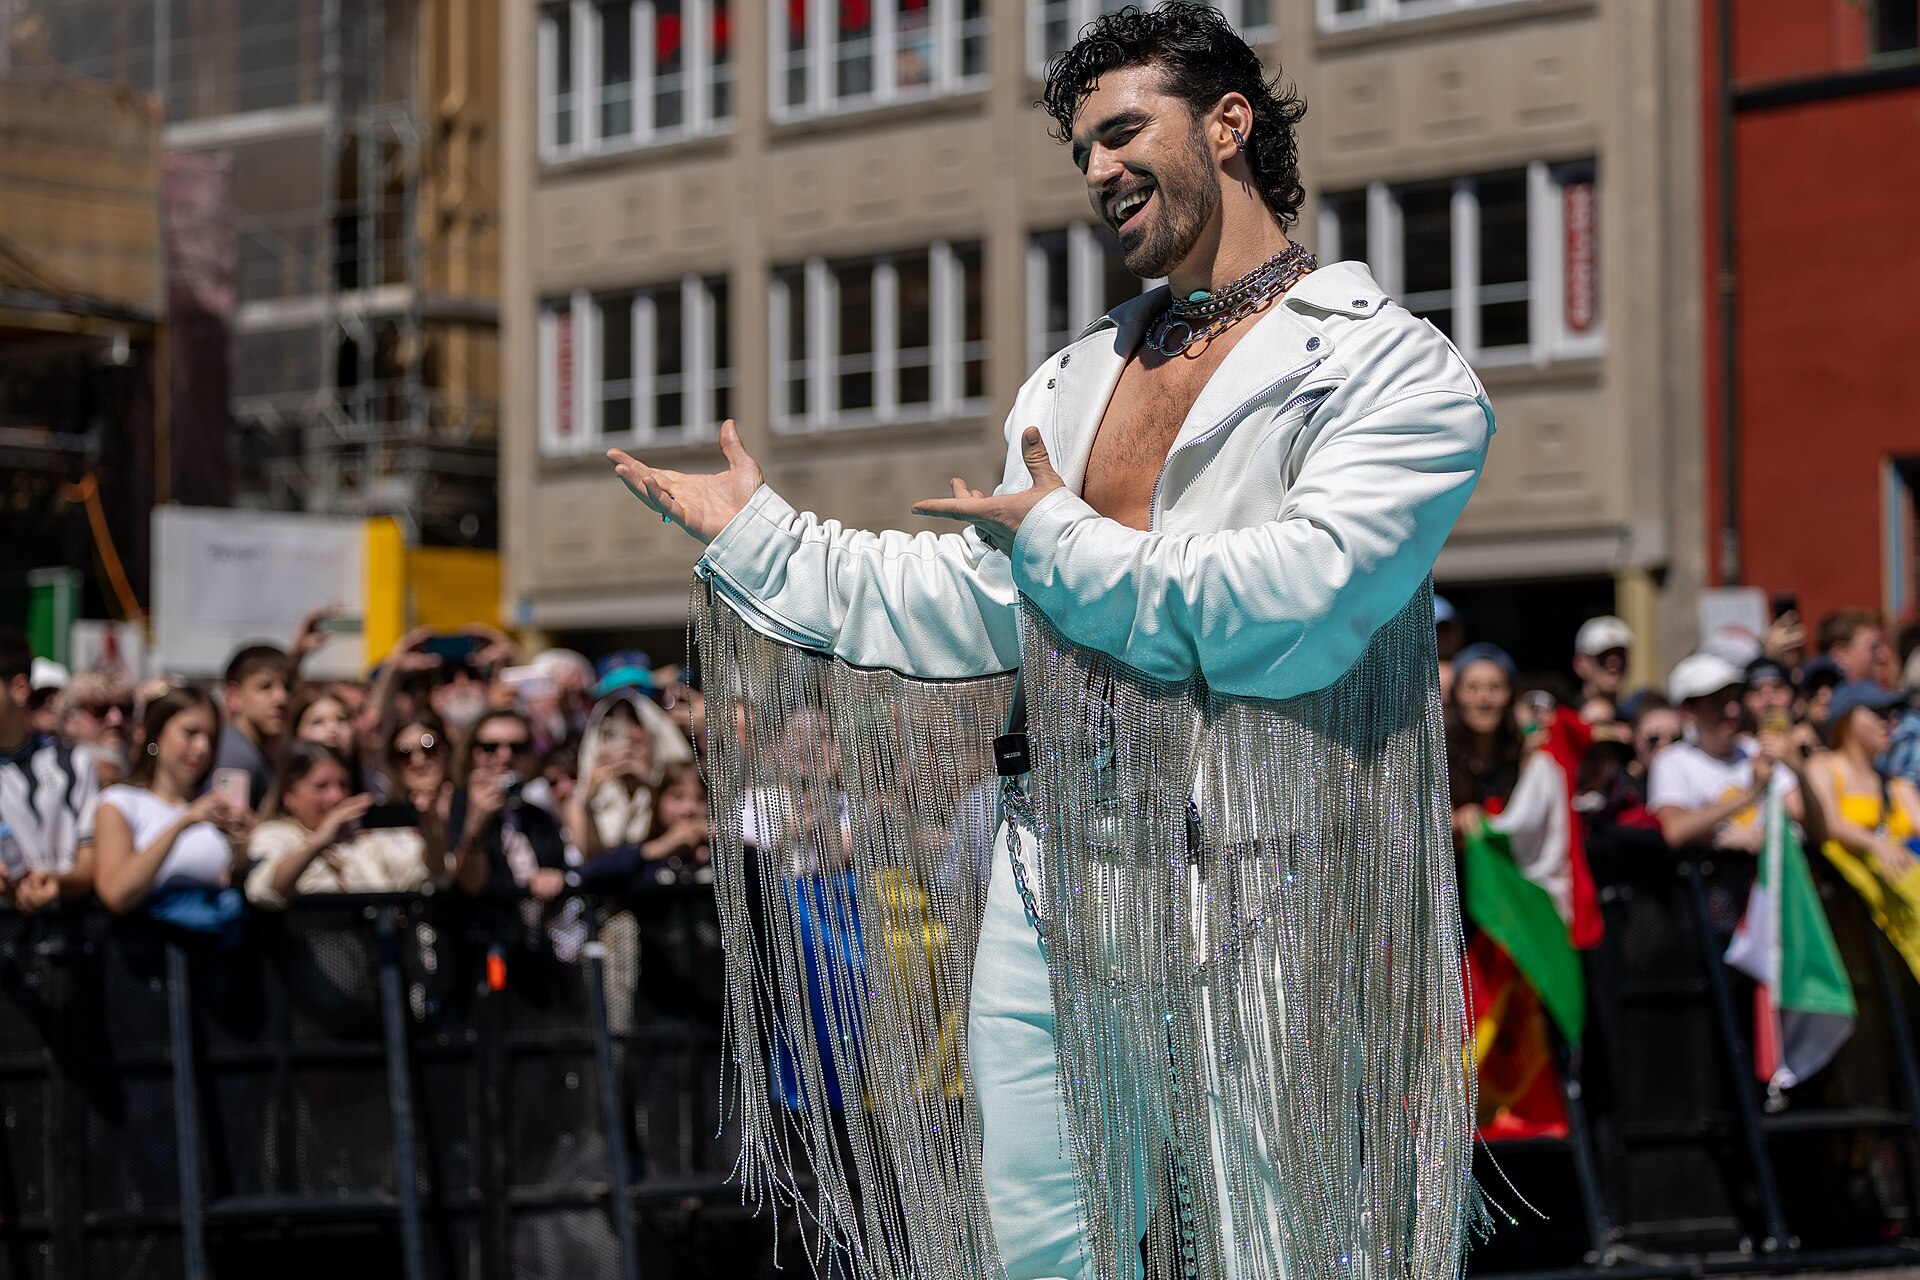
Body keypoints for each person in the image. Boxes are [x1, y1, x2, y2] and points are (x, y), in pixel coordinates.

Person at [606, 7, 1490, 1278]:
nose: (1098, 170)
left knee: (1280, 1243)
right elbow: (985, 597)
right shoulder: (1074, 379)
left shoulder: (1389, 368)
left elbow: (1296, 605)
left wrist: (1060, 540)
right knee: (1038, 1248)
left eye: (1123, 132)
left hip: (1269, 874)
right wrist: (766, 538)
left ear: (1229, 124)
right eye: (1082, 149)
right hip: (1055, 869)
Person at [94, 685, 253, 916]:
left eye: (211, 738)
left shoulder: (216, 808)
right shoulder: (120, 802)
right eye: (190, 733)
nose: (203, 748)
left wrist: (242, 850)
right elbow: (116, 894)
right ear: (156, 734)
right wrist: (184, 822)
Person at [1804, 681, 1920, 983]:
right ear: (1845, 719)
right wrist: (1876, 844)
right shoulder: (1824, 766)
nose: (1888, 721)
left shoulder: (1893, 783)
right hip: (1856, 928)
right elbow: (1830, 823)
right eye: (1877, 712)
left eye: (1890, 713)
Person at [244, 741, 447, 908]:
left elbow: (428, 875)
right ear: (289, 795)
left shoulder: (363, 840)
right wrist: (320, 841)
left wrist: (431, 830)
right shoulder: (275, 835)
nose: (336, 796)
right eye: (321, 786)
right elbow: (264, 891)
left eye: (342, 785)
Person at [1649, 653, 1809, 853]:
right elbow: (1673, 830)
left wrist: (1799, 769)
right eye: (1718, 702)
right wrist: (1750, 794)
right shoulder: (1673, 760)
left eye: (1734, 699)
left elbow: (1799, 813)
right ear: (1689, 711)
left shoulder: (1756, 750)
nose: (1732, 711)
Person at [0, 628, 100, 911]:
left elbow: (89, 865)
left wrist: (55, 883)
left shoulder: (74, 762)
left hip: (65, 930)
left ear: (20, 689)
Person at [447, 710, 564, 900]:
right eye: (490, 747)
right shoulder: (453, 805)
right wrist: (476, 822)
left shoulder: (538, 816)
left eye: (517, 748)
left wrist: (553, 877)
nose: (505, 756)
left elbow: (558, 866)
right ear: (471, 753)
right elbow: (469, 884)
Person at [215, 644, 292, 811]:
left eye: (287, 687)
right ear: (233, 696)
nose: (281, 698)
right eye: (265, 687)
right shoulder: (236, 758)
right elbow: (231, 824)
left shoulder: (251, 752)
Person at [54, 669, 135, 788]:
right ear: (69, 721)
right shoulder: (50, 780)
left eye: (126, 709)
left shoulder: (146, 778)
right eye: (100, 709)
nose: (116, 719)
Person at [1573, 614, 1633, 715]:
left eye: (1620, 654)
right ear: (1580, 663)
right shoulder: (1561, 719)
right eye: (1603, 655)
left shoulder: (1634, 719)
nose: (1615, 663)